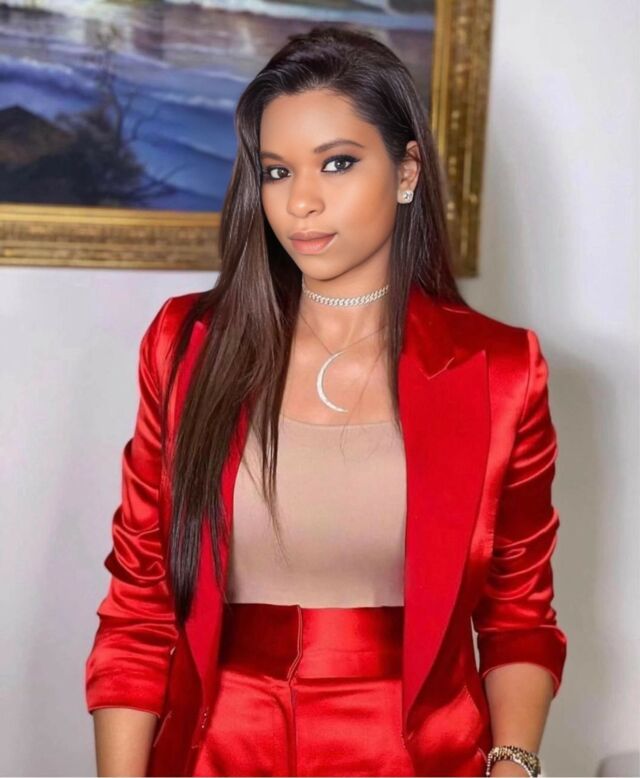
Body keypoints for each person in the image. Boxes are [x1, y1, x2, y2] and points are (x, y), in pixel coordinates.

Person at [85, 25, 567, 778]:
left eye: (337, 163)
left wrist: (512, 765)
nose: (301, 202)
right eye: (277, 172)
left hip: (418, 760)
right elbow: (140, 604)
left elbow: (518, 614)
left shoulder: (500, 371)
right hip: (214, 754)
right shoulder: (188, 346)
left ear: (407, 170)